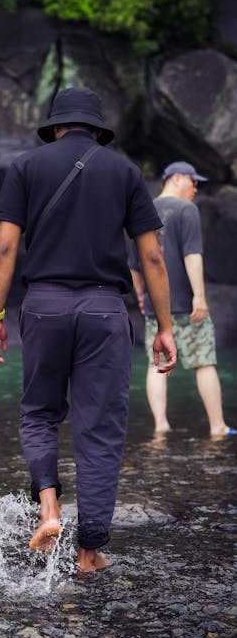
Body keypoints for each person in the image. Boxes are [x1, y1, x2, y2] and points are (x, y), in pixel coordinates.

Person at [0, 87, 176, 574]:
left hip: (44, 306)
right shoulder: (125, 172)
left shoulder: (26, 167)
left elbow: (5, 248)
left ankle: (48, 508)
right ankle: (89, 551)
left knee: (40, 414)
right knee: (100, 430)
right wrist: (164, 326)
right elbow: (151, 255)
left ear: (54, 127)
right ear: (96, 129)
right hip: (104, 311)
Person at [129, 161, 235, 438]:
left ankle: (160, 425)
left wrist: (141, 295)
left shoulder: (142, 209)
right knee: (204, 361)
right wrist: (199, 295)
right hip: (188, 305)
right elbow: (192, 255)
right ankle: (217, 426)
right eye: (193, 182)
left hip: (156, 305)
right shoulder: (186, 209)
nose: (196, 189)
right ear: (176, 178)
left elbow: (134, 263)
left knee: (156, 364)